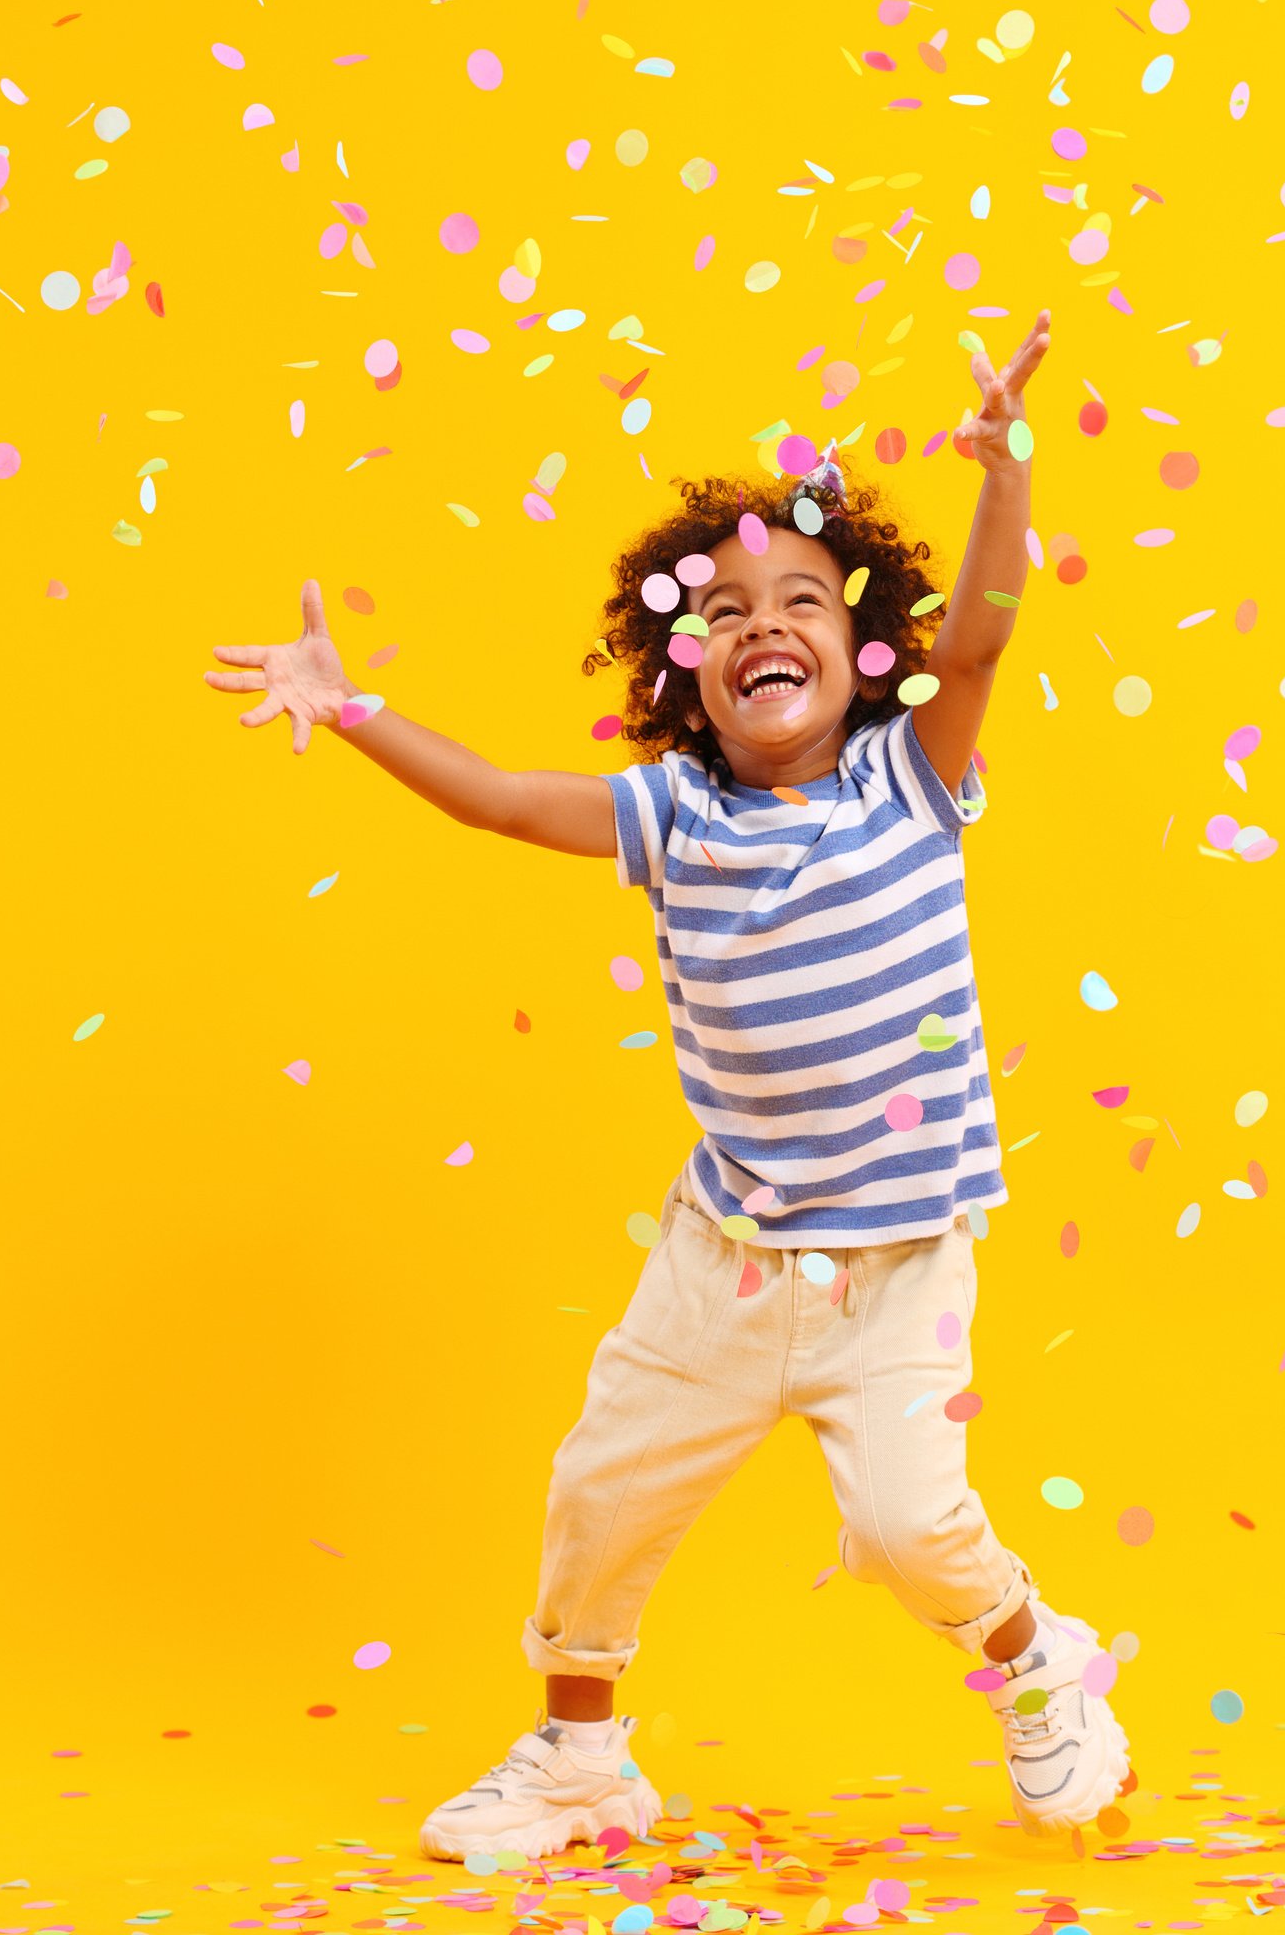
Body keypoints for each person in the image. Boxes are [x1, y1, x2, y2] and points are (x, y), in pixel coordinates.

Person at [201, 310, 1133, 1860]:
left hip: (897, 1272)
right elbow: (502, 802)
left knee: (911, 1532)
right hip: (722, 1264)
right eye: (721, 614)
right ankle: (580, 1760)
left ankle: (1041, 1667)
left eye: (802, 602)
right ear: (682, 674)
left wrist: (1005, 473)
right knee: (600, 1498)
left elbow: (984, 635)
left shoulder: (915, 777)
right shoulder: (672, 819)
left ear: (866, 644)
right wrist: (351, 708)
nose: (762, 623)